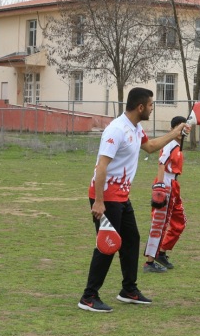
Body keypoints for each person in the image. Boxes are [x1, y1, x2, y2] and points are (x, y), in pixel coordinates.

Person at [78, 88, 189, 313]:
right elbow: (101, 167)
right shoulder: (116, 129)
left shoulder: (136, 128)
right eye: (150, 105)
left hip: (121, 197)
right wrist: (99, 202)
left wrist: (176, 132)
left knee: (131, 240)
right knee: (107, 246)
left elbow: (150, 147)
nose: (152, 108)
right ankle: (89, 297)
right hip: (106, 197)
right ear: (140, 107)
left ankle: (128, 290)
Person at [144, 116, 189, 273]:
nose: (182, 131)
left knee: (180, 222)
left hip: (174, 185)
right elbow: (161, 163)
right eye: (179, 127)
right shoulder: (170, 143)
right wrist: (160, 186)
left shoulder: (177, 145)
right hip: (166, 184)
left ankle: (161, 253)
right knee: (159, 223)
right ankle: (149, 263)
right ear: (172, 129)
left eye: (184, 128)